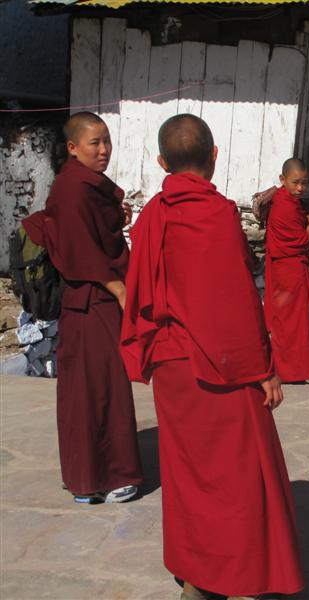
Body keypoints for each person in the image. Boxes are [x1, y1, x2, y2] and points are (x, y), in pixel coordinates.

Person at [120, 114, 304, 599]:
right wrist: (263, 368)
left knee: (189, 476)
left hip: (172, 367)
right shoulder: (216, 213)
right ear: (215, 155)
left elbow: (142, 289)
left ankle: (198, 579)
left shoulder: (152, 215)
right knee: (240, 475)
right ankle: (242, 578)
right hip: (223, 364)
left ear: (162, 163)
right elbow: (235, 300)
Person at [22, 111, 142, 504]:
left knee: (89, 390)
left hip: (92, 301)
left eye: (107, 141)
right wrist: (118, 288)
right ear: (73, 148)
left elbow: (94, 232)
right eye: (95, 143)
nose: (104, 150)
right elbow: (78, 250)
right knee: (101, 389)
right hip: (92, 300)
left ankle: (86, 478)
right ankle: (113, 475)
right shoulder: (73, 187)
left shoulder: (88, 185)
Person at [263, 158, 309, 383]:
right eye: (295, 183)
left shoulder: (286, 201)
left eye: (304, 183)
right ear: (283, 180)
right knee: (292, 321)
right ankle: (290, 371)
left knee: (292, 320)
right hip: (288, 270)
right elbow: (302, 239)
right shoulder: (284, 206)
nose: (300, 188)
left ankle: (294, 370)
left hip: (288, 267)